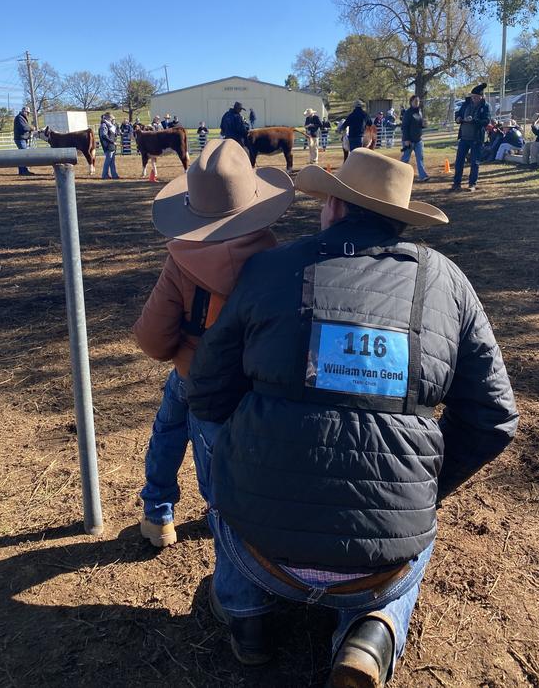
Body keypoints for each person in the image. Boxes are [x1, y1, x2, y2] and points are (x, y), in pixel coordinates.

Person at [185, 149, 518, 684]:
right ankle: (372, 631)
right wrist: (422, 486)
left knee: (211, 439)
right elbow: (496, 417)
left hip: (259, 550)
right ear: (403, 219)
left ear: (334, 208)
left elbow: (206, 391)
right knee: (404, 546)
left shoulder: (271, 267)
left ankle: (247, 616)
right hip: (382, 565)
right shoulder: (448, 282)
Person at [133, 138, 293, 547]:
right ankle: (233, 524)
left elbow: (152, 338)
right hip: (250, 381)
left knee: (168, 432)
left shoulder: (180, 263)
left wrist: (183, 350)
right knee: (230, 456)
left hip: (191, 373)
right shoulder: (278, 262)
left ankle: (158, 514)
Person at [451, 83, 490, 192]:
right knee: (459, 161)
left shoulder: (485, 106)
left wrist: (474, 121)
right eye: (473, 96)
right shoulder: (466, 104)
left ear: (481, 97)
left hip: (476, 138)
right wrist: (458, 118)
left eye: (476, 97)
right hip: (464, 137)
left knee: (474, 162)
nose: (474, 99)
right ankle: (456, 183)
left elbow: (486, 121)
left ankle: (472, 184)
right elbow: (458, 114)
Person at [400, 96, 429, 181]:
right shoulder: (408, 113)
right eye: (415, 101)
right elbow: (404, 127)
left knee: (420, 158)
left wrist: (423, 125)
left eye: (418, 101)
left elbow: (419, 125)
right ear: (411, 102)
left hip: (418, 140)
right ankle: (399, 174)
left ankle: (423, 176)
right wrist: (406, 139)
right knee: (405, 158)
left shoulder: (419, 112)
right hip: (409, 140)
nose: (417, 102)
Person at [13, 106, 35, 176]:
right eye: (27, 112)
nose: (28, 114)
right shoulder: (20, 118)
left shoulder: (21, 118)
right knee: (23, 155)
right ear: (24, 111)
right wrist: (31, 128)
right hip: (20, 139)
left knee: (21, 155)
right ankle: (24, 171)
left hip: (22, 138)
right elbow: (24, 128)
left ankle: (22, 171)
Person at [99, 112, 119, 179]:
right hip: (108, 146)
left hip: (111, 145)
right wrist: (112, 142)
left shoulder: (110, 125)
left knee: (112, 161)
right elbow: (104, 136)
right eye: (111, 118)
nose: (112, 119)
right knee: (108, 161)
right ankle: (104, 175)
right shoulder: (104, 125)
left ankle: (114, 175)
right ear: (108, 118)